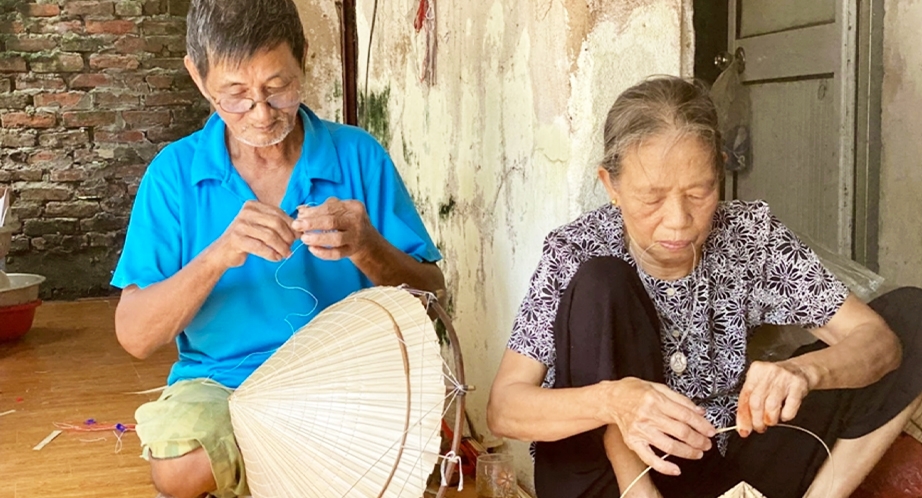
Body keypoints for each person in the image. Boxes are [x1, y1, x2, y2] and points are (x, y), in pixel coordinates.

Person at [487, 76, 922, 498]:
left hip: (711, 462)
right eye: (652, 198)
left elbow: (877, 342)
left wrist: (805, 373)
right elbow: (505, 408)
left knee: (911, 318)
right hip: (603, 478)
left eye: (700, 192)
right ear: (611, 185)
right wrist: (612, 402)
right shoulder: (576, 250)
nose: (678, 221)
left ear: (720, 175)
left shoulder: (748, 237)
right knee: (603, 281)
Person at [110, 0, 445, 496]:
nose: (262, 115)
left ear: (304, 58)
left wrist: (368, 245)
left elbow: (433, 297)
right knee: (180, 468)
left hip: (345, 375)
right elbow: (135, 336)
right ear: (198, 78)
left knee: (423, 457)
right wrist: (218, 254)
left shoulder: (357, 155)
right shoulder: (174, 175)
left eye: (278, 88)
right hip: (223, 382)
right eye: (236, 95)